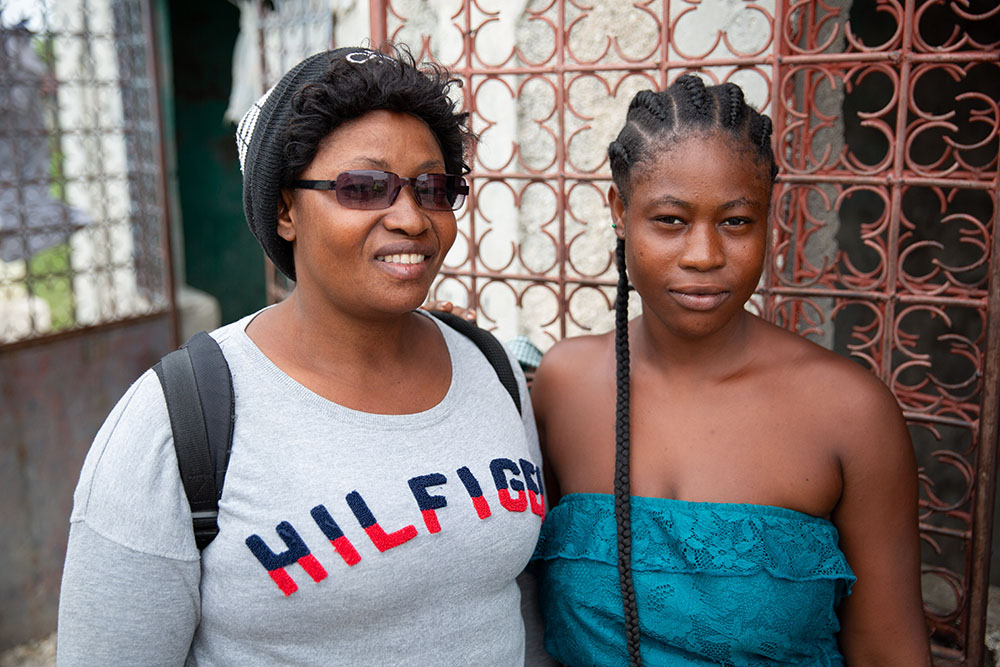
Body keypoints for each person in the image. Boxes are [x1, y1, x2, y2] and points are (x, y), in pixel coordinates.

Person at [57, 46, 553, 666]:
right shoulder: (179, 421)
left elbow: (524, 601)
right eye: (364, 187)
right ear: (286, 209)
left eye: (433, 187)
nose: (411, 218)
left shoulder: (492, 369)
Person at [529, 76, 931, 666]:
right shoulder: (564, 385)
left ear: (769, 216)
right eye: (670, 220)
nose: (704, 256)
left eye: (737, 222)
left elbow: (888, 648)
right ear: (620, 211)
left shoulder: (849, 412)